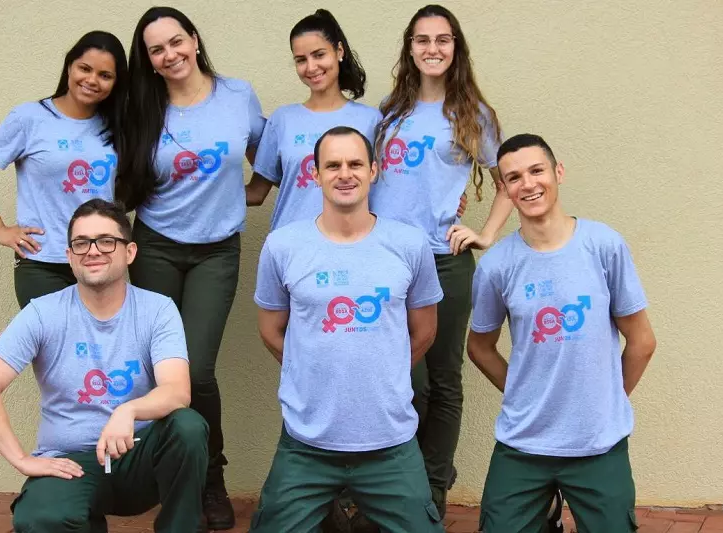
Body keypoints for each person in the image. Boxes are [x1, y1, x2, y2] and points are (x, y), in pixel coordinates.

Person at [0, 199, 210, 533]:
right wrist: (21, 459)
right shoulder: (42, 313)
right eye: (81, 243)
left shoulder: (157, 310)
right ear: (69, 256)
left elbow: (177, 391)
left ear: (130, 252)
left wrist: (128, 411)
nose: (93, 251)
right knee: (39, 518)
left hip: (140, 456)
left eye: (106, 241)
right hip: (71, 462)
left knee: (188, 427)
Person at [249, 126, 445, 533]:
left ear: (374, 170)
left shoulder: (409, 244)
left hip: (390, 446)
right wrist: (311, 368)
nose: (344, 173)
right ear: (315, 174)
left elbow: (425, 331)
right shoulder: (283, 246)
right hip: (307, 446)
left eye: (355, 163)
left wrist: (386, 368)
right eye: (332, 165)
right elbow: (270, 330)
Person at [114, 7, 266, 529]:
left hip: (216, 252)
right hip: (155, 245)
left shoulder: (238, 95)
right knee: (157, 369)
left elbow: (268, 158)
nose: (170, 54)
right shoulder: (141, 106)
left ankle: (210, 480)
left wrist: (248, 195)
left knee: (196, 370)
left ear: (194, 40)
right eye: (157, 49)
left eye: (176, 41)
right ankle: (170, 480)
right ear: (149, 60)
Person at [467, 134, 657, 532]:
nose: (528, 184)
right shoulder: (496, 266)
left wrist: (607, 399)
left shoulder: (603, 246)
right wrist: (521, 391)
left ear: (558, 172)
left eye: (537, 171)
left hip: (597, 444)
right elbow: (480, 347)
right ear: (505, 189)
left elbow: (642, 342)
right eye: (514, 178)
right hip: (524, 444)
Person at [368, 4, 513, 519]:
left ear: (456, 48)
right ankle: (399, 484)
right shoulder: (388, 111)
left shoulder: (474, 114)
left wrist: (484, 234)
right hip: (386, 261)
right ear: (410, 49)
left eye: (443, 39)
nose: (433, 48)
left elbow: (507, 181)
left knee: (444, 379)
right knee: (407, 379)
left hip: (443, 261)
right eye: (423, 39)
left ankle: (431, 495)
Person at [0, 31, 128, 309]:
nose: (92, 80)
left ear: (115, 82)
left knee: (102, 339)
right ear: (69, 66)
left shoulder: (116, 126)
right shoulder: (30, 118)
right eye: (85, 68)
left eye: (105, 75)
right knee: (51, 339)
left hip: (100, 261)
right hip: (43, 263)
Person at [245, 9, 381, 231]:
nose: (311, 67)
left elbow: (387, 192)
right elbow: (256, 192)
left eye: (319, 55)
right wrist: (198, 188)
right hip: (291, 242)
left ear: (339, 51)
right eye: (301, 60)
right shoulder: (282, 120)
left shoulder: (371, 120)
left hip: (353, 243)